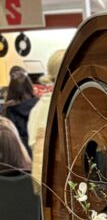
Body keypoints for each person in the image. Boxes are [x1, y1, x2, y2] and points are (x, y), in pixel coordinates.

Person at [28, 49, 65, 189]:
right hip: (59, 178)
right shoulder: (53, 104)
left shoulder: (40, 106)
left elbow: (32, 142)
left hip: (47, 181)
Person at [1, 70, 38, 152]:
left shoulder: (9, 109)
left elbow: (9, 139)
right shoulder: (40, 104)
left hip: (21, 154)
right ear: (29, 86)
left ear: (11, 89)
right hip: (41, 151)